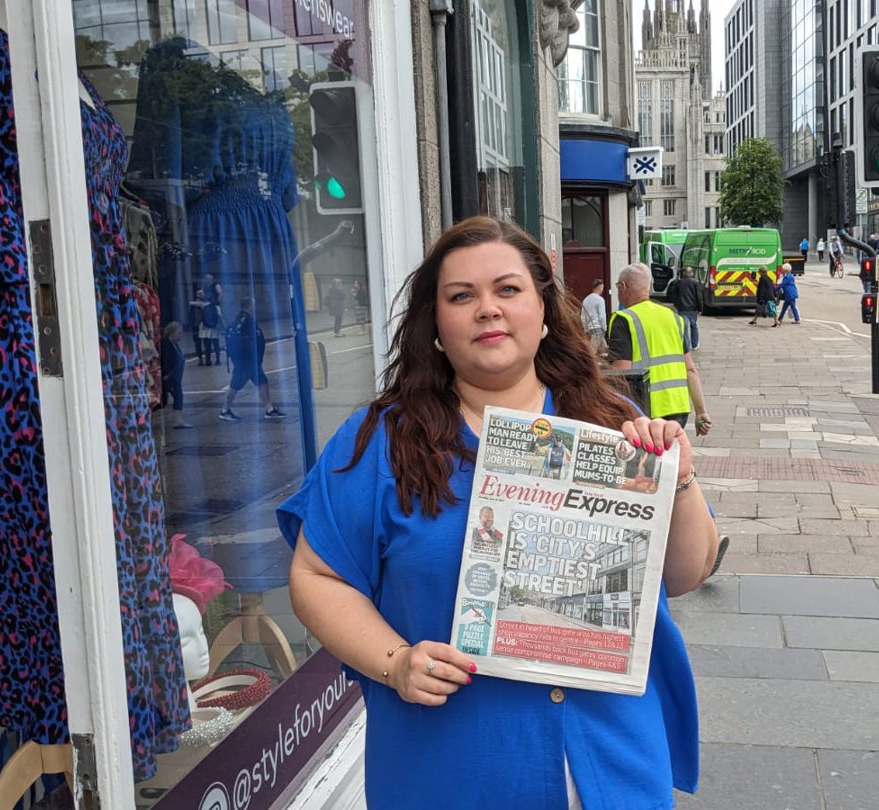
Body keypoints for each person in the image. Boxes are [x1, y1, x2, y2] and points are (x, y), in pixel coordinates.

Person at [278, 217, 718, 807]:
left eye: (507, 290)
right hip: (453, 769)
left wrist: (679, 475)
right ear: (435, 325)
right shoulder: (381, 442)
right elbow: (317, 576)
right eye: (462, 296)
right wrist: (394, 661)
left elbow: (686, 573)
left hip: (609, 766)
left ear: (542, 311)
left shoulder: (610, 424)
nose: (488, 309)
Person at [609, 262, 713, 433]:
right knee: (674, 457)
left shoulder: (623, 319)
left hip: (645, 410)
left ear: (623, 286)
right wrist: (701, 412)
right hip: (678, 409)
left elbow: (621, 373)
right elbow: (690, 369)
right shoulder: (673, 317)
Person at [218, 297, 284, 421]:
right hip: (246, 361)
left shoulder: (241, 319)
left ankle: (269, 409)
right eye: (254, 305)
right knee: (235, 385)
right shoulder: (245, 321)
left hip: (249, 361)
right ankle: (225, 410)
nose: (256, 307)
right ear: (248, 306)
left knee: (262, 381)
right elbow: (249, 340)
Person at [160, 322, 193, 429]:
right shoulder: (165, 345)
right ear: (172, 333)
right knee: (167, 398)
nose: (180, 336)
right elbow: (163, 361)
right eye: (178, 333)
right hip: (168, 377)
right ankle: (178, 420)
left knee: (176, 397)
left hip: (174, 376)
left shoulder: (174, 344)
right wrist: (165, 374)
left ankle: (178, 420)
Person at [667, 266, 703, 351]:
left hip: (682, 308)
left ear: (684, 273)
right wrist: (700, 308)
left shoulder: (678, 283)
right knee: (693, 325)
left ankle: (686, 345)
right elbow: (699, 297)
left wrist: (676, 305)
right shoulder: (696, 283)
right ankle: (694, 345)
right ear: (692, 273)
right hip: (693, 308)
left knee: (684, 326)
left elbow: (674, 296)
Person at [188, 287, 223, 365]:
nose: (201, 295)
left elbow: (191, 304)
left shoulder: (202, 305)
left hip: (204, 327)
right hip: (212, 327)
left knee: (206, 344)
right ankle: (215, 360)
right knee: (214, 343)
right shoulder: (215, 306)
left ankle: (206, 360)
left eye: (202, 293)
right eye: (199, 294)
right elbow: (220, 317)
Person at [580, 278, 608, 355]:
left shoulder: (585, 300)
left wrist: (585, 328)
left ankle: (605, 364)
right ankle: (587, 364)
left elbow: (583, 316)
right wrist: (604, 327)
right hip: (598, 327)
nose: (602, 289)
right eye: (602, 287)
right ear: (599, 288)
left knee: (604, 349)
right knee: (592, 351)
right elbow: (602, 315)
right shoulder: (600, 300)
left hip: (590, 328)